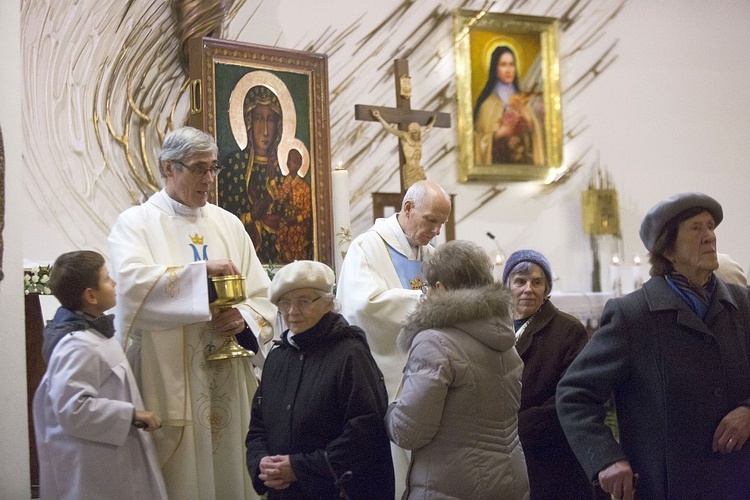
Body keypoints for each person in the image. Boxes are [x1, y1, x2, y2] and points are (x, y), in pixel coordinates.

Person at [108, 126, 277, 500]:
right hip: (168, 374)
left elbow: (262, 295)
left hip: (228, 375)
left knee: (231, 465)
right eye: (199, 168)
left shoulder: (228, 223)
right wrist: (201, 276)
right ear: (169, 168)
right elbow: (131, 287)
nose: (209, 180)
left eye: (213, 168)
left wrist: (243, 318)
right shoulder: (136, 223)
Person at [556, 192, 750, 499]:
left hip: (739, 478)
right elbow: (574, 395)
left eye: (711, 227)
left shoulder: (741, 304)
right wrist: (606, 458)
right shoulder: (633, 315)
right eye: (696, 228)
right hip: (668, 487)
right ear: (668, 249)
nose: (710, 236)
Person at [385, 240, 529, 499]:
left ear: (440, 288)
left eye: (428, 287)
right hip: (507, 478)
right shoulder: (504, 336)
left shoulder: (434, 342)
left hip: (452, 484)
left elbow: (409, 431)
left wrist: (390, 411)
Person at [335, 178, 451, 498]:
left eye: (441, 224)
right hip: (382, 376)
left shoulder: (431, 254)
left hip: (426, 374)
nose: (436, 231)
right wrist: (426, 303)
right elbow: (363, 306)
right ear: (408, 208)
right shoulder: (368, 246)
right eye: (432, 221)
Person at [246, 260, 395, 499]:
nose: (292, 312)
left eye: (304, 301)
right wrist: (262, 463)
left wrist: (299, 468)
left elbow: (367, 431)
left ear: (328, 303)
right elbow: (258, 427)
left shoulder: (350, 354)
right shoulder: (277, 356)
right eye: (284, 303)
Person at [33, 250, 167, 499]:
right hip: (94, 462)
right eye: (107, 278)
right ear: (90, 295)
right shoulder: (76, 345)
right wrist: (131, 414)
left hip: (109, 451)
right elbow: (72, 409)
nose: (114, 283)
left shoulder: (91, 334)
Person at [501, 249, 600, 499]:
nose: (528, 289)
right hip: (500, 455)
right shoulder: (492, 326)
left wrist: (516, 427)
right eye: (520, 282)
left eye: (537, 282)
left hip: (549, 454)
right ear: (506, 287)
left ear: (546, 290)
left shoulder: (568, 330)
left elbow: (570, 395)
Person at [219, 84, 285, 264]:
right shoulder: (233, 166)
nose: (265, 130)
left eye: (270, 120)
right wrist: (250, 217)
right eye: (258, 118)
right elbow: (221, 222)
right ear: (248, 122)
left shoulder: (283, 171)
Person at [473, 45, 545, 166]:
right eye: (503, 65)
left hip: (522, 166)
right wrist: (497, 135)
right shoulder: (488, 104)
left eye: (511, 64)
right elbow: (477, 141)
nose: (508, 70)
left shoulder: (522, 102)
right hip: (497, 167)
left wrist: (529, 122)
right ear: (495, 68)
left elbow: (536, 142)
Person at [371, 109, 436, 189]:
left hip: (419, 169)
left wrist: (433, 121)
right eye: (414, 133)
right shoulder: (405, 136)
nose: (416, 135)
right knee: (411, 192)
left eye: (417, 133)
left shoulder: (419, 137)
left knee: (422, 192)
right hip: (410, 169)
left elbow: (427, 129)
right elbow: (389, 129)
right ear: (410, 133)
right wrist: (379, 117)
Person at [275, 148, 313, 261]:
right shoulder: (285, 182)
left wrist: (296, 218)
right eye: (289, 160)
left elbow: (308, 210)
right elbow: (279, 199)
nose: (289, 163)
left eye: (293, 160)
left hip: (298, 227)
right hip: (285, 224)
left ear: (298, 164)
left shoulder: (304, 186)